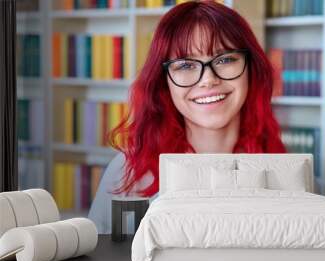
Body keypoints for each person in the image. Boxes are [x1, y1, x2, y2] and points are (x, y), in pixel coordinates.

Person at [88, 0, 286, 234]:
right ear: (164, 82)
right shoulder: (126, 173)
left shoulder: (282, 169)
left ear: (251, 69)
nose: (208, 79)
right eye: (185, 65)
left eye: (225, 59)